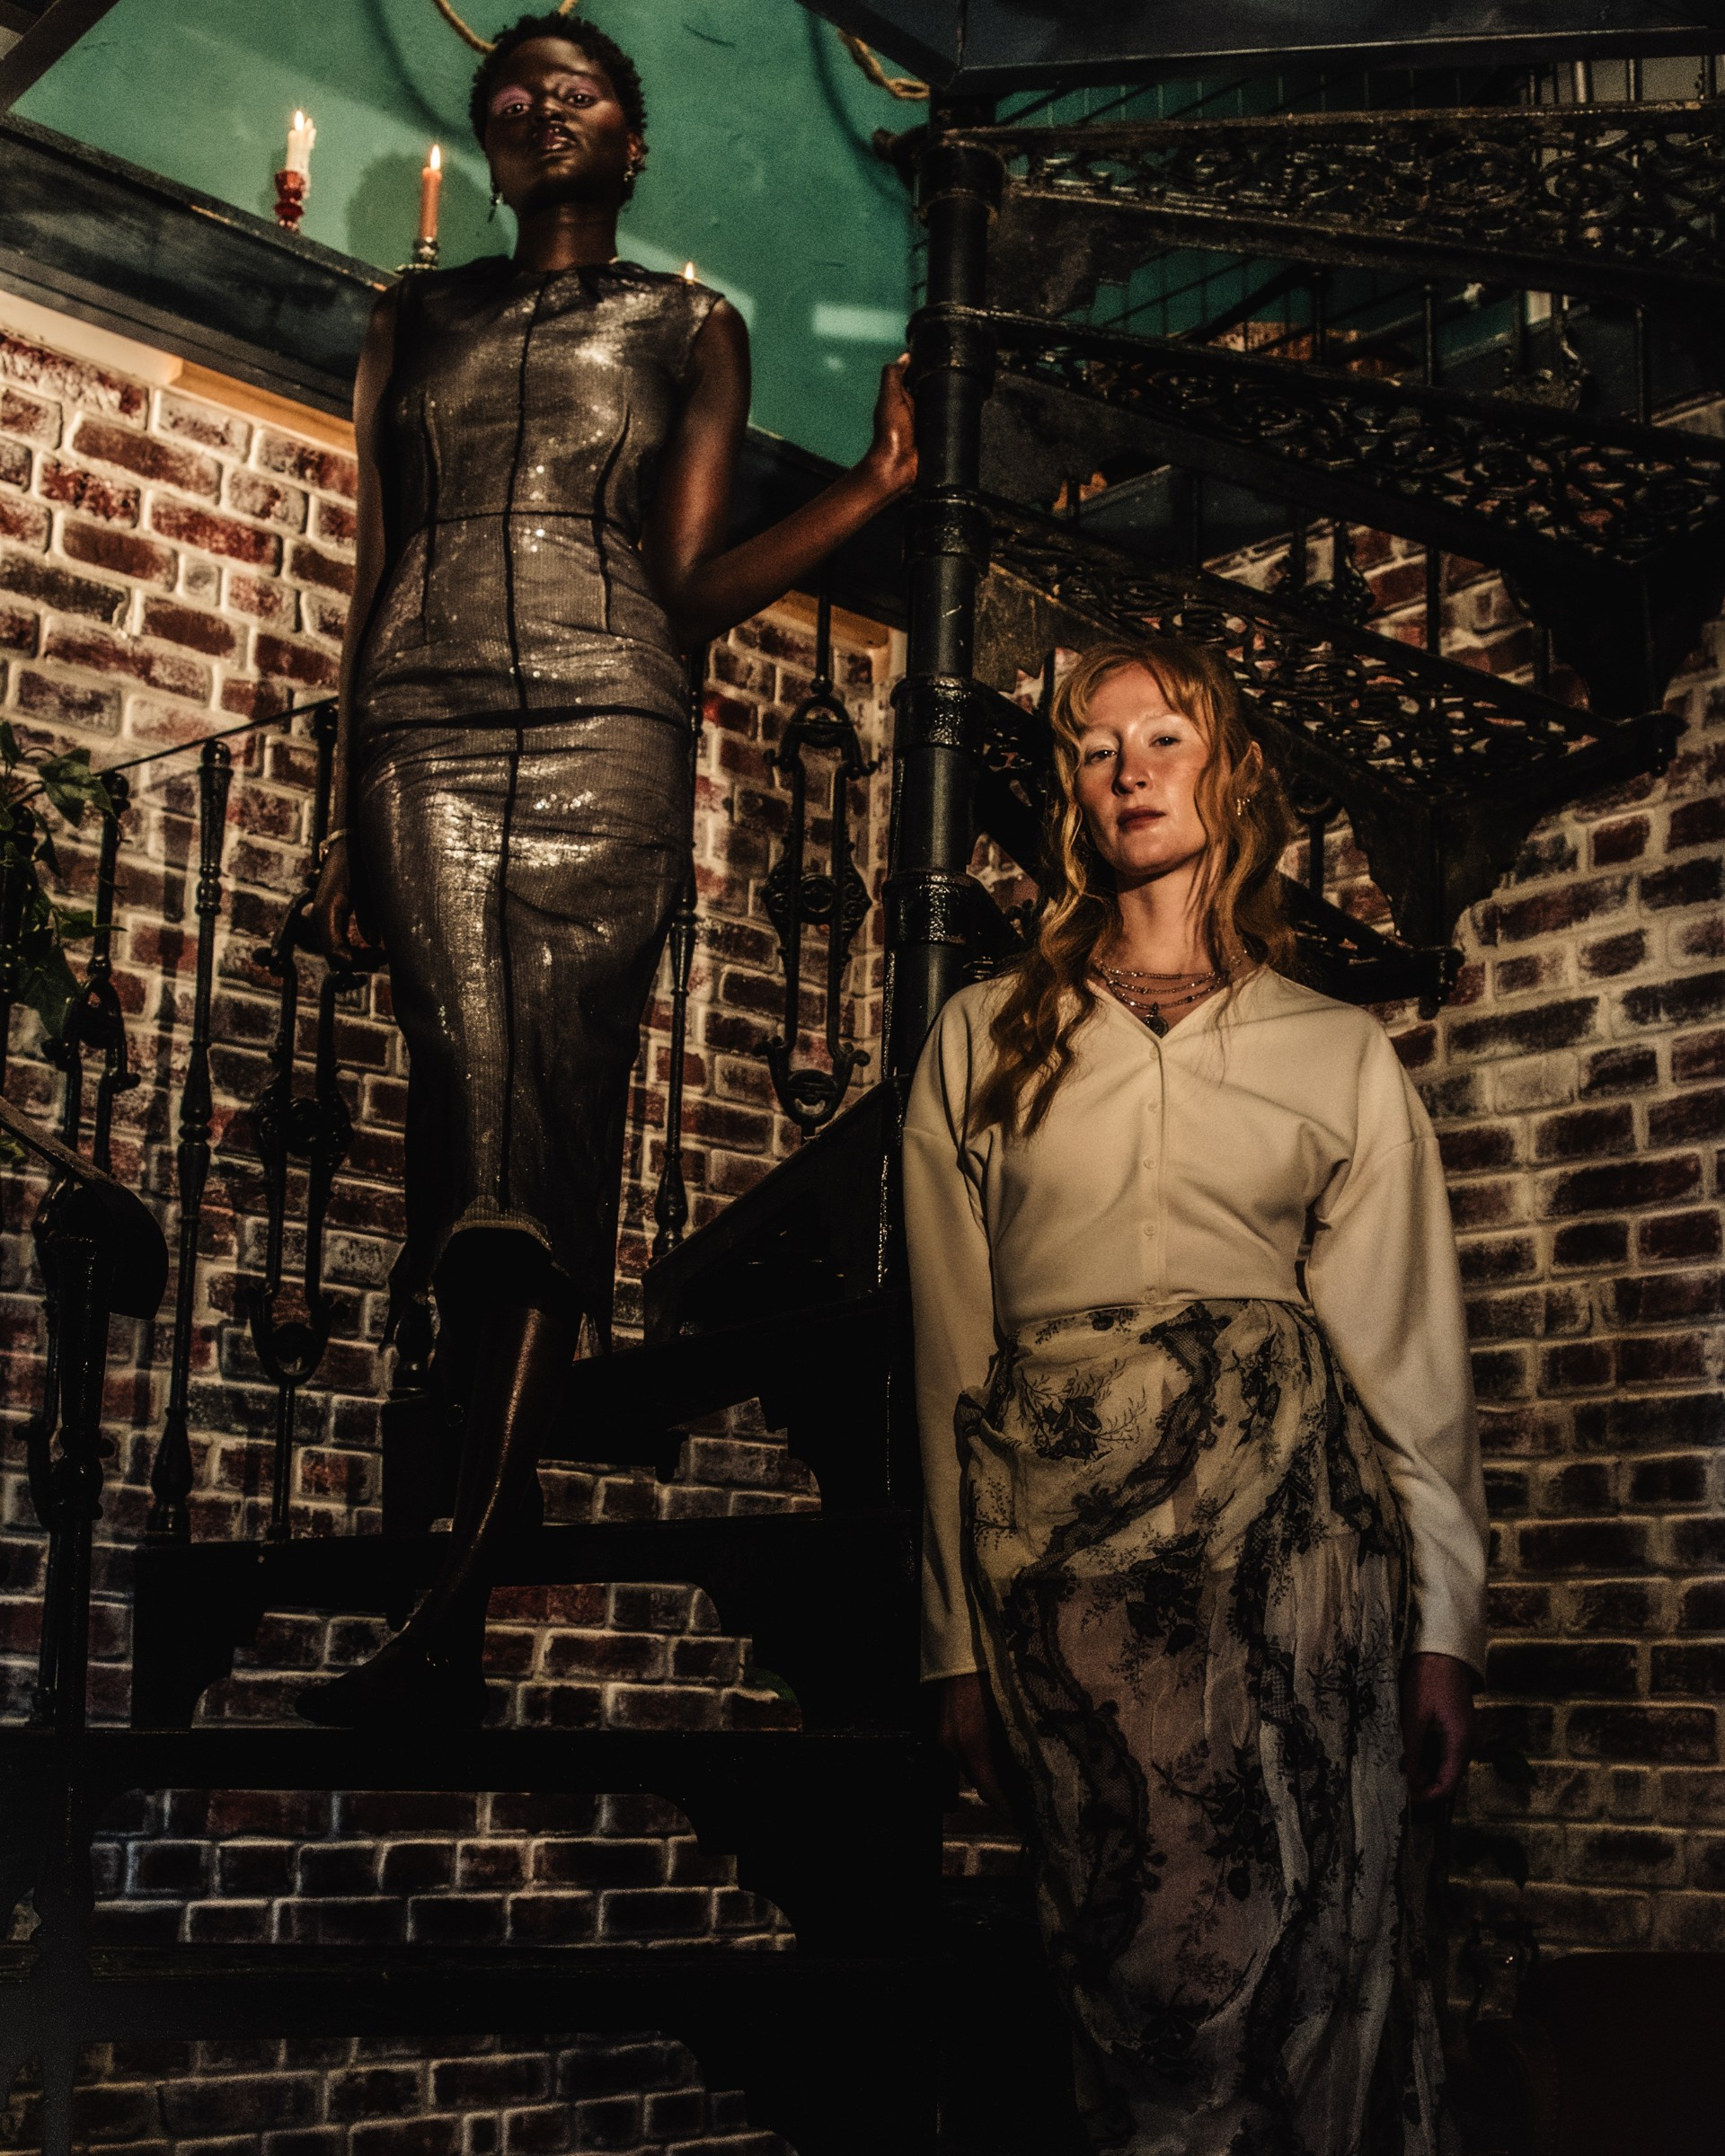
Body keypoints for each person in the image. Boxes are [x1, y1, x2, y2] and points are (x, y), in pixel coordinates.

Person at [299, 12, 915, 1724]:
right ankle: (480, 1536)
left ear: (631, 142)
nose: (534, 99)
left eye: (575, 86)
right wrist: (344, 805)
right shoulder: (407, 316)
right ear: (488, 135)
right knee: (466, 1104)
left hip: (604, 721)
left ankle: (452, 1598)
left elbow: (689, 587)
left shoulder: (687, 325)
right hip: (421, 721)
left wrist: (870, 489)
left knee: (534, 1127)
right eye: (511, 85)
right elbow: (376, 566)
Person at [904, 638, 1488, 2153]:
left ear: (1226, 773)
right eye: (1097, 749)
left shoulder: (1336, 1046)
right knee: (1136, 1956)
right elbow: (949, 1361)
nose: (1131, 769)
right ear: (1074, 796)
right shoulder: (981, 1033)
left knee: (1316, 1935)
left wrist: (1443, 1623)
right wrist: (953, 1638)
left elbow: (1411, 1368)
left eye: (1164, 736)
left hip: (1294, 1562)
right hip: (1068, 1577)